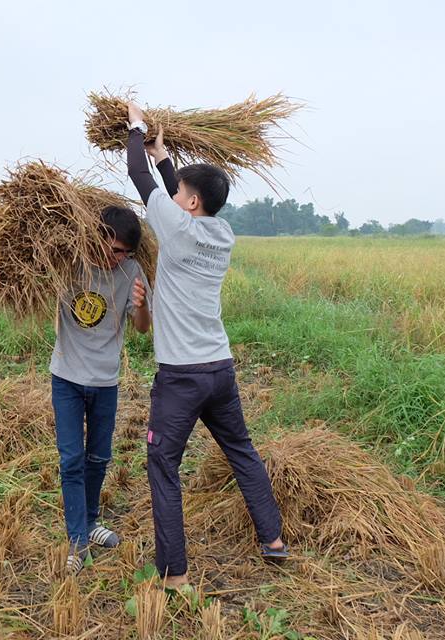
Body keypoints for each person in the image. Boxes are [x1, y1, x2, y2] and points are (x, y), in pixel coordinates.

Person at [125, 102, 287, 590]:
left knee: (163, 465)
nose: (173, 199)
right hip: (220, 369)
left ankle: (173, 573)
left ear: (190, 204)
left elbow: (137, 174)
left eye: (180, 195)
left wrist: (136, 130)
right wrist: (165, 155)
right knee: (241, 450)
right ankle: (273, 540)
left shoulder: (175, 227)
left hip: (180, 376)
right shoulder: (222, 232)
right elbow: (180, 194)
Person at [50, 205, 152, 574]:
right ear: (96, 239)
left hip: (106, 380)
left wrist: (140, 307)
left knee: (98, 457)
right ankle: (77, 538)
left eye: (125, 252)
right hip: (66, 377)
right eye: (113, 249)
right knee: (71, 459)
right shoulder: (69, 264)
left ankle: (91, 521)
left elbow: (142, 328)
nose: (117, 258)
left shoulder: (132, 272)